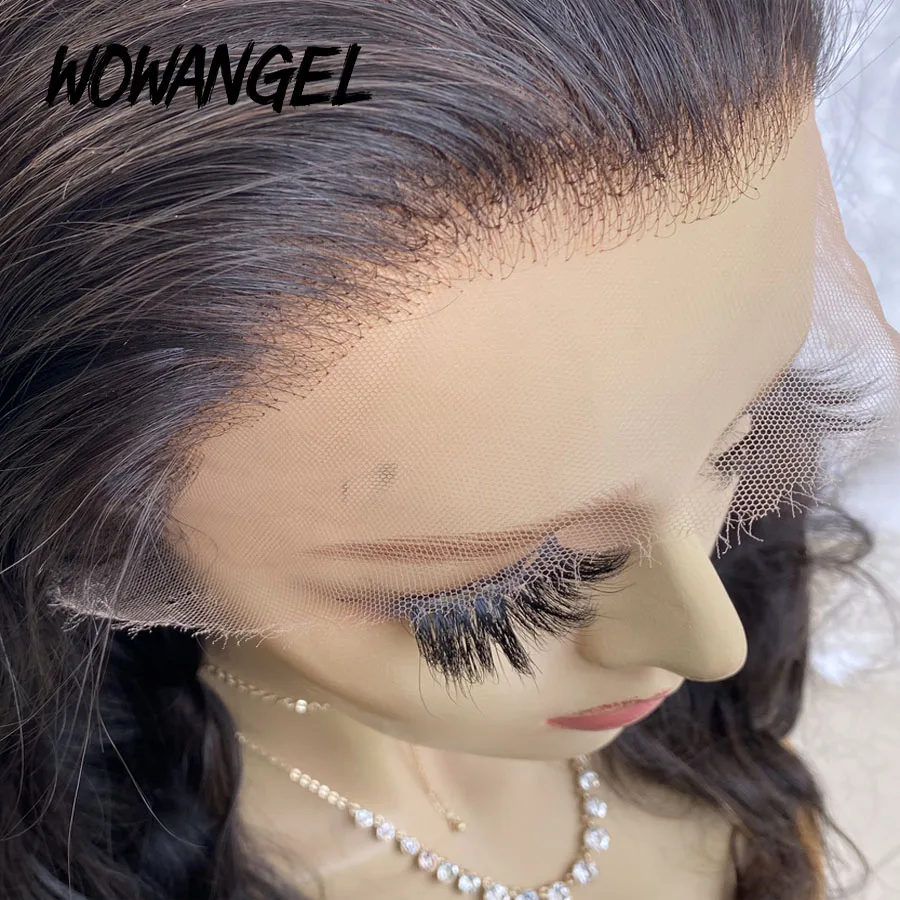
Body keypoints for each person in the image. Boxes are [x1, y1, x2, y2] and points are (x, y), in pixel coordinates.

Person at [0, 2, 895, 899]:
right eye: (492, 589)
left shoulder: (705, 709)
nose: (710, 644)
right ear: (104, 531)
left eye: (736, 440)